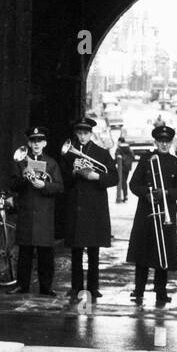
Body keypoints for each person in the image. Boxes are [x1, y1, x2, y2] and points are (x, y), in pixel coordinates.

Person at [127, 124, 177, 307]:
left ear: (171, 143)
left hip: (166, 213)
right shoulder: (146, 160)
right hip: (146, 212)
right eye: (160, 141)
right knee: (142, 253)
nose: (163, 144)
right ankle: (138, 290)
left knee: (164, 253)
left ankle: (161, 292)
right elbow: (133, 184)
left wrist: (166, 193)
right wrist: (147, 192)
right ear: (155, 142)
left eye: (167, 141)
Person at [61, 117, 117, 303]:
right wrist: (74, 172)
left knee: (94, 250)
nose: (82, 137)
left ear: (91, 133)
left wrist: (96, 177)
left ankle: (93, 287)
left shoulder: (101, 153)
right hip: (76, 205)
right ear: (76, 134)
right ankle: (76, 287)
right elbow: (63, 180)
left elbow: (114, 178)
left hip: (95, 207)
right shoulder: (70, 154)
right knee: (76, 250)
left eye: (85, 133)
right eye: (79, 133)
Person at [10, 127, 63, 295]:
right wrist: (24, 179)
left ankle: (46, 287)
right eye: (33, 141)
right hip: (27, 211)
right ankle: (21, 285)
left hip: (44, 212)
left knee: (45, 254)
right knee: (24, 252)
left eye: (39, 141)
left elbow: (59, 187)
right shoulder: (21, 162)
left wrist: (45, 185)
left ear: (45, 143)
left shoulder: (52, 163)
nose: (36, 144)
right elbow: (13, 185)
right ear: (29, 143)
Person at [112, 130, 134, 202]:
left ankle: (124, 196)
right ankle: (125, 196)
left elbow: (116, 159)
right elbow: (132, 157)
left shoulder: (119, 149)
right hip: (127, 168)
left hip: (121, 168)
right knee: (124, 182)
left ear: (120, 141)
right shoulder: (129, 149)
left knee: (122, 182)